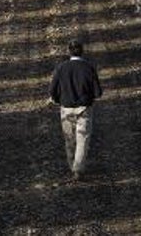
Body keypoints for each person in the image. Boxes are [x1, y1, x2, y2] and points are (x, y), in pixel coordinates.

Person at [48, 40, 103, 180]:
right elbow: (97, 92)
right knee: (82, 139)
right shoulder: (88, 68)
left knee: (69, 139)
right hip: (84, 108)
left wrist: (57, 99)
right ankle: (77, 169)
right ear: (82, 51)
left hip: (66, 108)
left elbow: (52, 89)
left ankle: (71, 163)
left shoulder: (61, 68)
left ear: (69, 51)